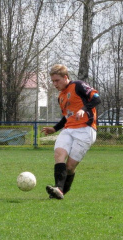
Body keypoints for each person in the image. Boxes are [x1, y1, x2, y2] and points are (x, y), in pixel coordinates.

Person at [42, 64, 101, 200]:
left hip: (85, 129)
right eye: (53, 81)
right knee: (59, 154)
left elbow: (97, 98)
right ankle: (58, 189)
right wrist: (55, 129)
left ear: (65, 77)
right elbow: (66, 116)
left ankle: (61, 190)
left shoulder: (78, 86)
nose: (55, 84)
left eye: (57, 80)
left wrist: (84, 109)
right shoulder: (60, 97)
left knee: (70, 167)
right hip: (68, 130)